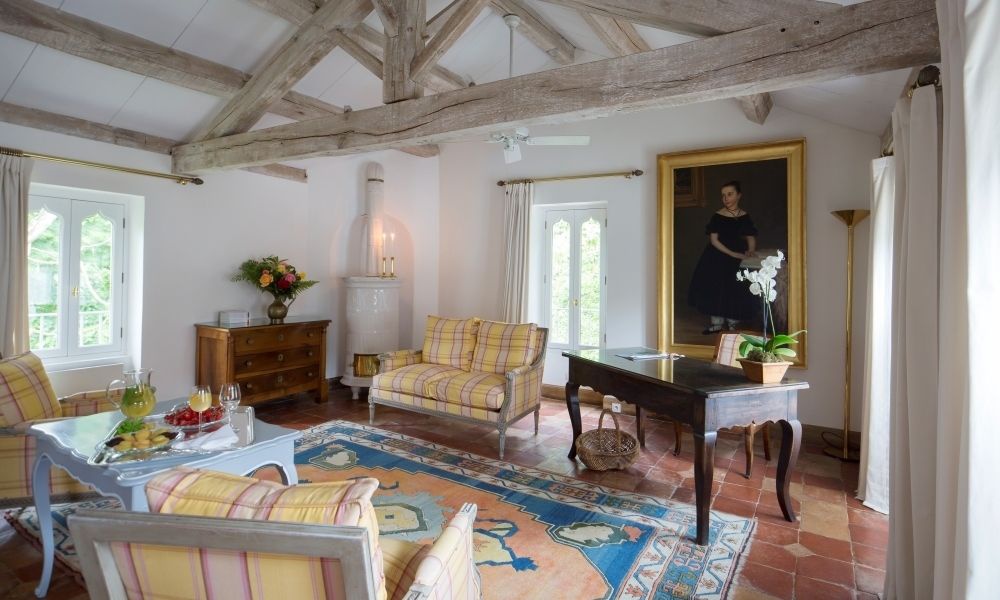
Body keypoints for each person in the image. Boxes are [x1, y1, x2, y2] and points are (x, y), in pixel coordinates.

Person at [687, 180, 758, 334]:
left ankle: (733, 324)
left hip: (738, 255)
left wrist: (751, 250)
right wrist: (733, 254)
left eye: (730, 194)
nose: (726, 198)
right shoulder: (718, 216)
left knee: (734, 289)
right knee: (716, 288)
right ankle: (717, 324)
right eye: (723, 195)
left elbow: (750, 236)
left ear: (739, 195)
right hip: (717, 256)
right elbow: (714, 240)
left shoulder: (745, 216)